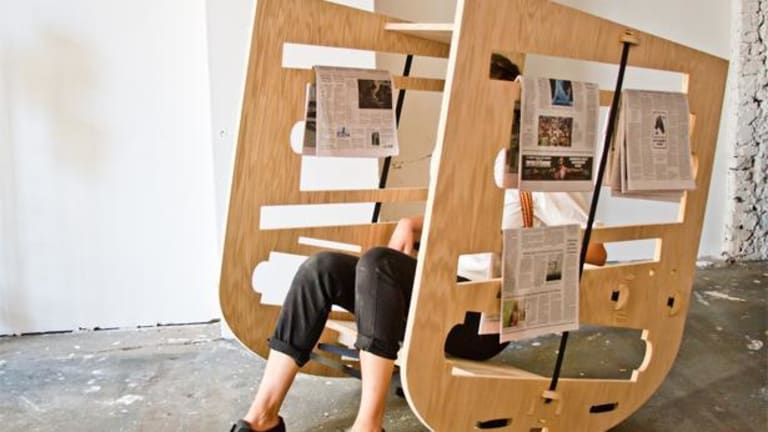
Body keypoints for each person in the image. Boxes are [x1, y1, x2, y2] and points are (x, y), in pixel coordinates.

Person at [230, 56, 607, 432]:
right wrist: (413, 222)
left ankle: (368, 425)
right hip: (439, 291)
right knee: (321, 268)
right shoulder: (456, 155)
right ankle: (262, 417)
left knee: (379, 264)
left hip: (481, 318)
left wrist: (520, 244)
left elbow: (597, 252)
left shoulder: (537, 166)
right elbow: (457, 218)